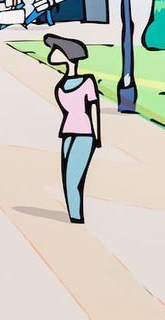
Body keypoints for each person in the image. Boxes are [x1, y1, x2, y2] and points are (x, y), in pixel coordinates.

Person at [45, 33, 100, 224]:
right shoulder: (61, 85)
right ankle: (74, 213)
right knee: (66, 176)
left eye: (57, 50)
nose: (53, 53)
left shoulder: (87, 81)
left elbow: (93, 110)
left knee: (73, 178)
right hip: (67, 134)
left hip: (85, 135)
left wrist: (97, 137)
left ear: (68, 54)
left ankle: (76, 217)